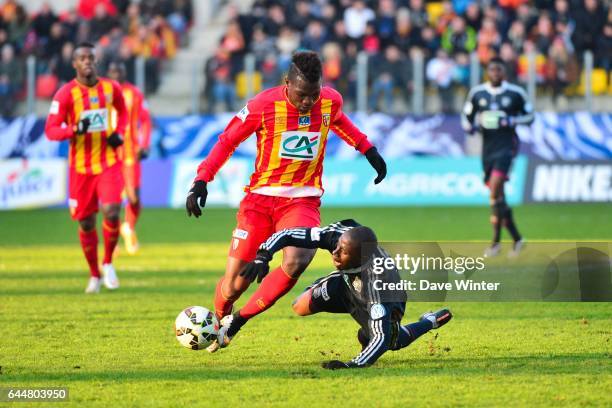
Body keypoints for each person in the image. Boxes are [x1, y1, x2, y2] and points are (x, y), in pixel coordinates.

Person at [186, 51, 387, 352]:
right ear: (286, 83)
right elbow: (227, 141)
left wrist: (368, 150)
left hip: (301, 200)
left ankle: (238, 321)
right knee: (234, 284)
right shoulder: (262, 106)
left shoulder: (329, 102)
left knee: (296, 260)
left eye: (314, 94)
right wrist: (201, 180)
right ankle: (219, 319)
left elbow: (341, 122)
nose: (309, 102)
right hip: (259, 202)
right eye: (302, 95)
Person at [219, 219, 452, 368]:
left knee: (387, 341)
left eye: (343, 252)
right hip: (346, 283)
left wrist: (352, 365)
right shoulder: (337, 236)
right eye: (337, 247)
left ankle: (429, 322)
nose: (335, 252)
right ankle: (331, 284)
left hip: (376, 300)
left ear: (360, 257)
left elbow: (380, 340)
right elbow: (289, 234)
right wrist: (263, 255)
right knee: (299, 306)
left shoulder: (380, 287)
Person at [45, 42, 128, 293]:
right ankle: (94, 274)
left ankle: (108, 263)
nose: (87, 62)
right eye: (82, 58)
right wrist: (73, 129)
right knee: (86, 223)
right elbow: (51, 130)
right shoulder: (65, 94)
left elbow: (123, 113)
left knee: (112, 211)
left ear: (96, 61)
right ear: (74, 64)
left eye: (91, 58)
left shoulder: (110, 88)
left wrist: (119, 133)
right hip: (80, 168)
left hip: (108, 163)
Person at [461, 57, 534, 257]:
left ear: (504, 72)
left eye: (498, 70)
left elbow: (530, 116)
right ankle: (517, 239)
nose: (495, 73)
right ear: (487, 72)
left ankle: (495, 243)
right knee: (498, 197)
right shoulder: (478, 93)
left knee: (495, 187)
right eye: (492, 70)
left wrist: (512, 120)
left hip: (507, 146)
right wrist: (471, 126)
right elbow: (466, 118)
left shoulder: (516, 93)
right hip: (488, 149)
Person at [107, 60, 152, 255]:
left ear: (125, 73)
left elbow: (145, 121)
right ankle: (113, 239)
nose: (117, 75)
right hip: (108, 154)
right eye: (113, 72)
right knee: (111, 199)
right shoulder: (101, 93)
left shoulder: (134, 93)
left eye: (120, 71)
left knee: (134, 198)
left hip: (130, 154)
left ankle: (129, 227)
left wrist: (144, 144)